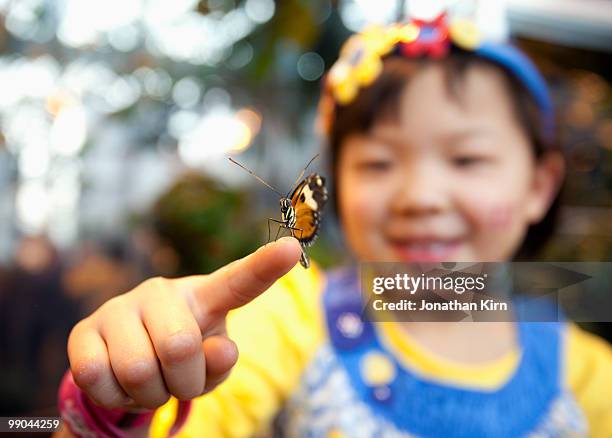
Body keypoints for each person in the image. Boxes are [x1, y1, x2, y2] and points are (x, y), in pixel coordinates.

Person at [57, 13, 612, 437]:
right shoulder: (284, 322)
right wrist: (118, 405)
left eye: (466, 160)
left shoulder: (592, 376)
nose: (418, 197)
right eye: (377, 163)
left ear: (539, 185)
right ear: (338, 185)